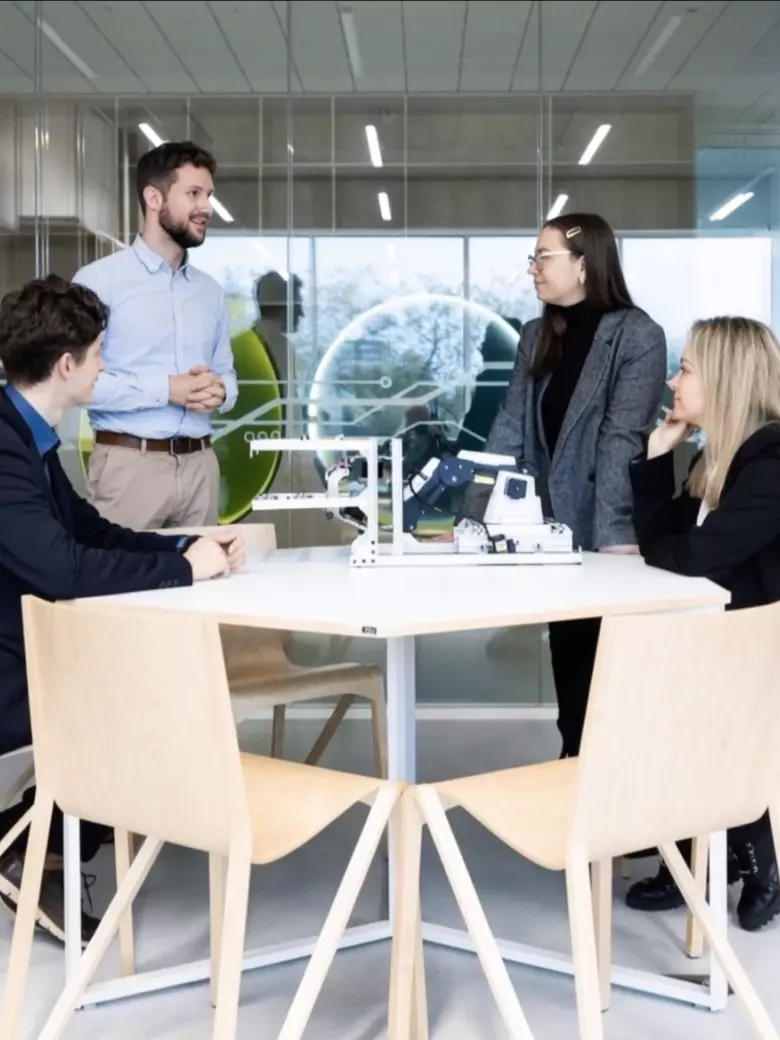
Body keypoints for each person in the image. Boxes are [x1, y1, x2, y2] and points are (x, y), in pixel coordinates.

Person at [0, 275, 245, 944]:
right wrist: (180, 569)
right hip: (13, 671)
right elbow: (62, 567)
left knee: (153, 687)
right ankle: (36, 851)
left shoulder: (29, 437)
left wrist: (183, 547)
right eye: (100, 352)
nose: (105, 365)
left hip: (27, 650)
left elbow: (87, 530)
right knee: (149, 698)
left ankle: (32, 845)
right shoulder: (5, 445)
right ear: (65, 365)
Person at [461, 213, 666, 758]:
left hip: (608, 529)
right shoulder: (536, 335)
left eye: (542, 257)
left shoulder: (638, 335)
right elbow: (508, 428)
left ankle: (628, 808)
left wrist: (614, 535)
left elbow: (621, 441)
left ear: (583, 263)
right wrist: (472, 516)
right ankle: (575, 780)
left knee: (613, 672)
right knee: (571, 666)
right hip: (549, 532)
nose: (533, 269)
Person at [626, 316, 780, 932]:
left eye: (686, 367)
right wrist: (658, 457)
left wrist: (677, 548)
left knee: (679, 702)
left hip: (759, 649)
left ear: (725, 378)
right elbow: (658, 541)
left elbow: (692, 556)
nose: (673, 380)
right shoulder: (718, 459)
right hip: (727, 640)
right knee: (657, 691)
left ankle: (744, 857)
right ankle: (702, 856)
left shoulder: (771, 460)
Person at [73, 140, 238, 530]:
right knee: (118, 587)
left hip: (201, 466)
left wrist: (221, 392)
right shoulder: (98, 282)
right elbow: (80, 385)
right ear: (154, 198)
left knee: (206, 584)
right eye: (193, 194)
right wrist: (167, 389)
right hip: (130, 467)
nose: (206, 207)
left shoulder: (210, 291)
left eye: (209, 195)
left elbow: (227, 375)